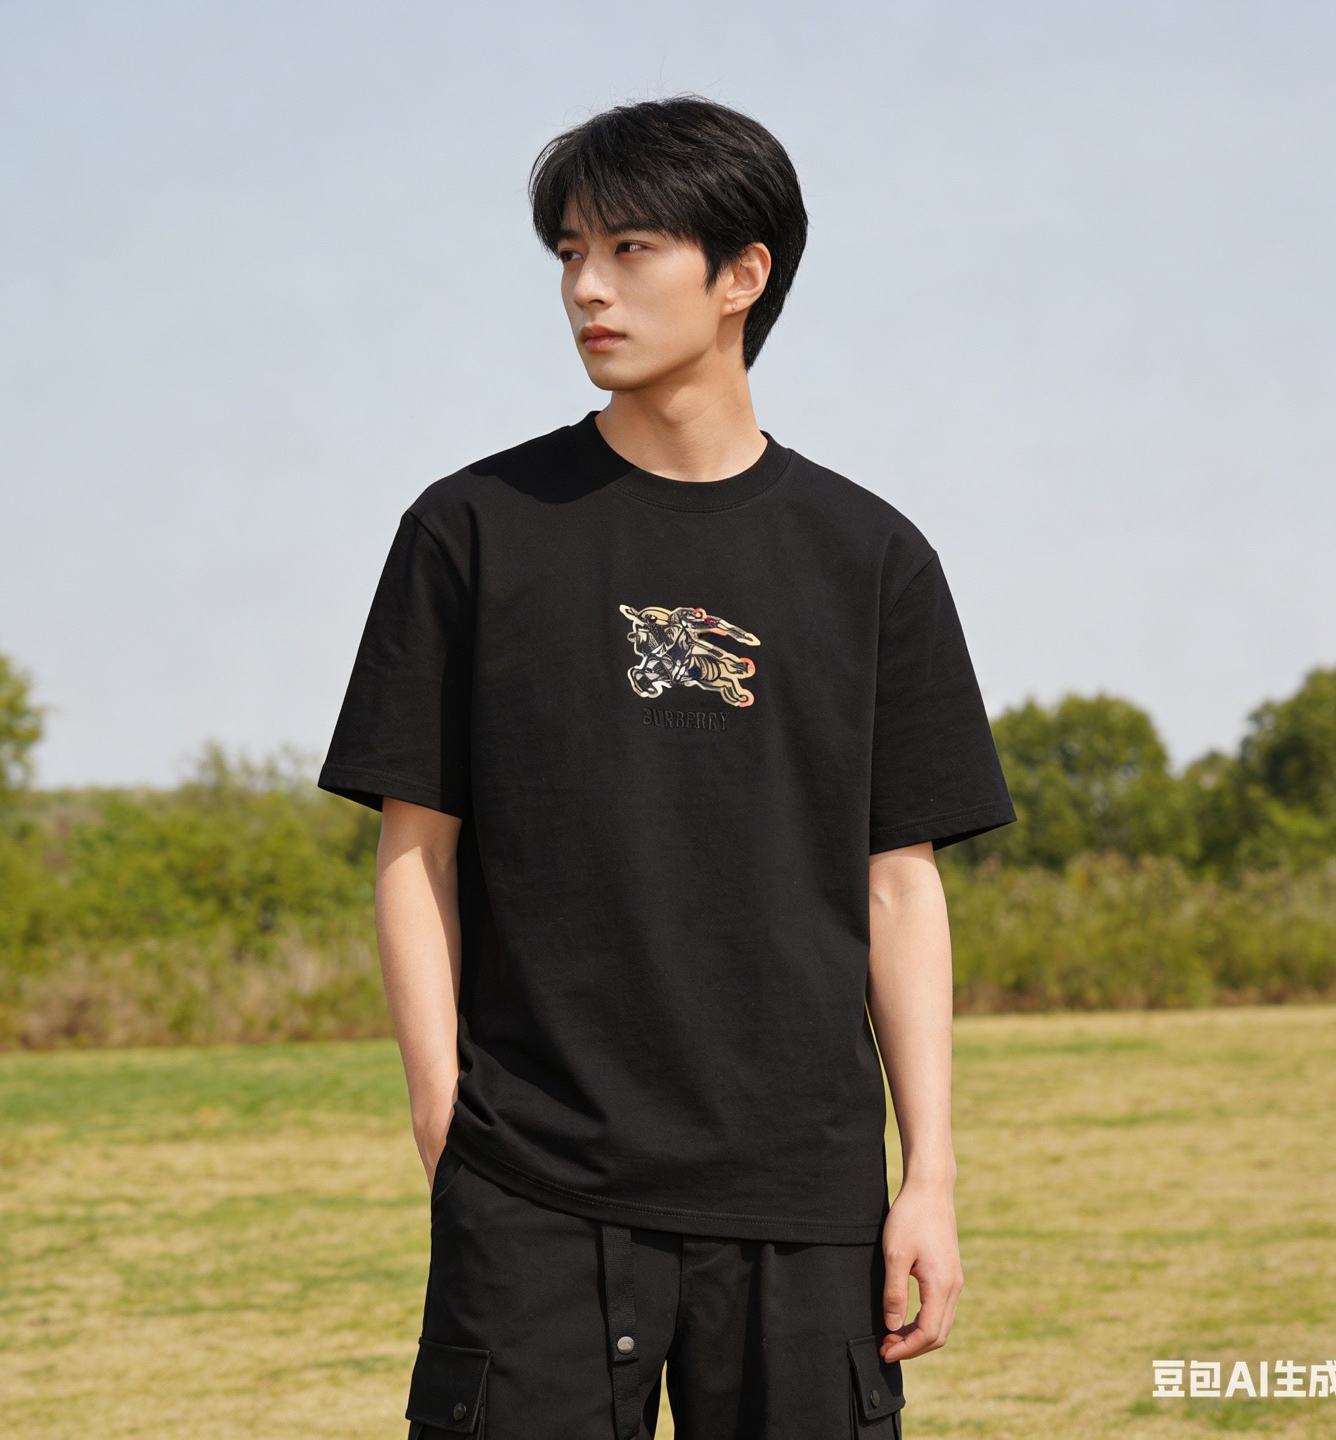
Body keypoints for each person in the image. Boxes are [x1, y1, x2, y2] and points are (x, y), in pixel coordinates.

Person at [318, 93, 1016, 1440]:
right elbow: (415, 855)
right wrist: (447, 1129)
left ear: (742, 274)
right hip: (535, 1185)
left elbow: (899, 887)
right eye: (569, 253)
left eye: (630, 250)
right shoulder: (472, 532)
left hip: (805, 1198)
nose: (586, 287)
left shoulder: (871, 558)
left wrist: (927, 1175)